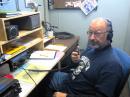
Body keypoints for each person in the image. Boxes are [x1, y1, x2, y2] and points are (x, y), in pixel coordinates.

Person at [47, 17, 123, 97]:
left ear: (109, 35)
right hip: (69, 81)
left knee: (40, 85)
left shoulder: (112, 65)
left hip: (74, 92)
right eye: (90, 32)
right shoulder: (92, 48)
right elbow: (81, 66)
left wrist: (65, 96)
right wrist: (74, 61)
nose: (91, 38)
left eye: (97, 33)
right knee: (45, 77)